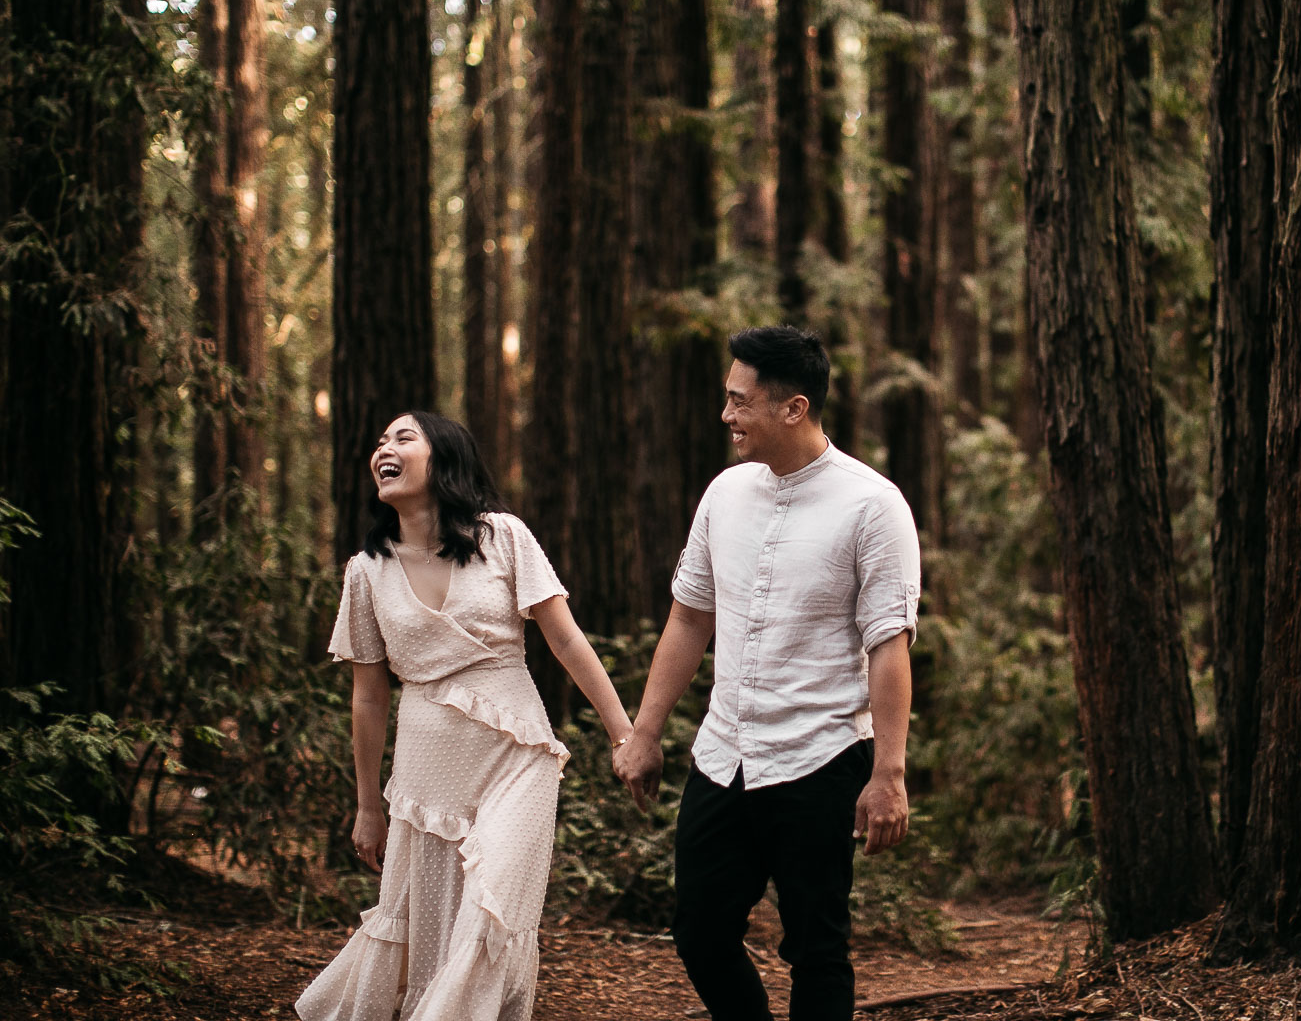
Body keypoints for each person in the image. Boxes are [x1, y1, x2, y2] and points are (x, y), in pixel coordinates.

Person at [614, 325, 920, 1021]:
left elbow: (888, 646)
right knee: (698, 931)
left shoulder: (873, 507)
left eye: (739, 401)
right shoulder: (725, 494)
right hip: (724, 758)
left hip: (821, 759)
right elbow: (690, 618)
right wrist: (645, 731)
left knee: (817, 949)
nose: (726, 416)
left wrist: (890, 773)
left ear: (794, 408)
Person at [297, 411, 632, 1021]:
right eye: (378, 442)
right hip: (426, 767)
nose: (383, 449)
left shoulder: (502, 536)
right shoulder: (366, 571)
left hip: (516, 751)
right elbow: (369, 695)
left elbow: (565, 640)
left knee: (492, 902)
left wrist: (624, 733)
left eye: (402, 437)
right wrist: (368, 805)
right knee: (430, 918)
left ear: (444, 457)